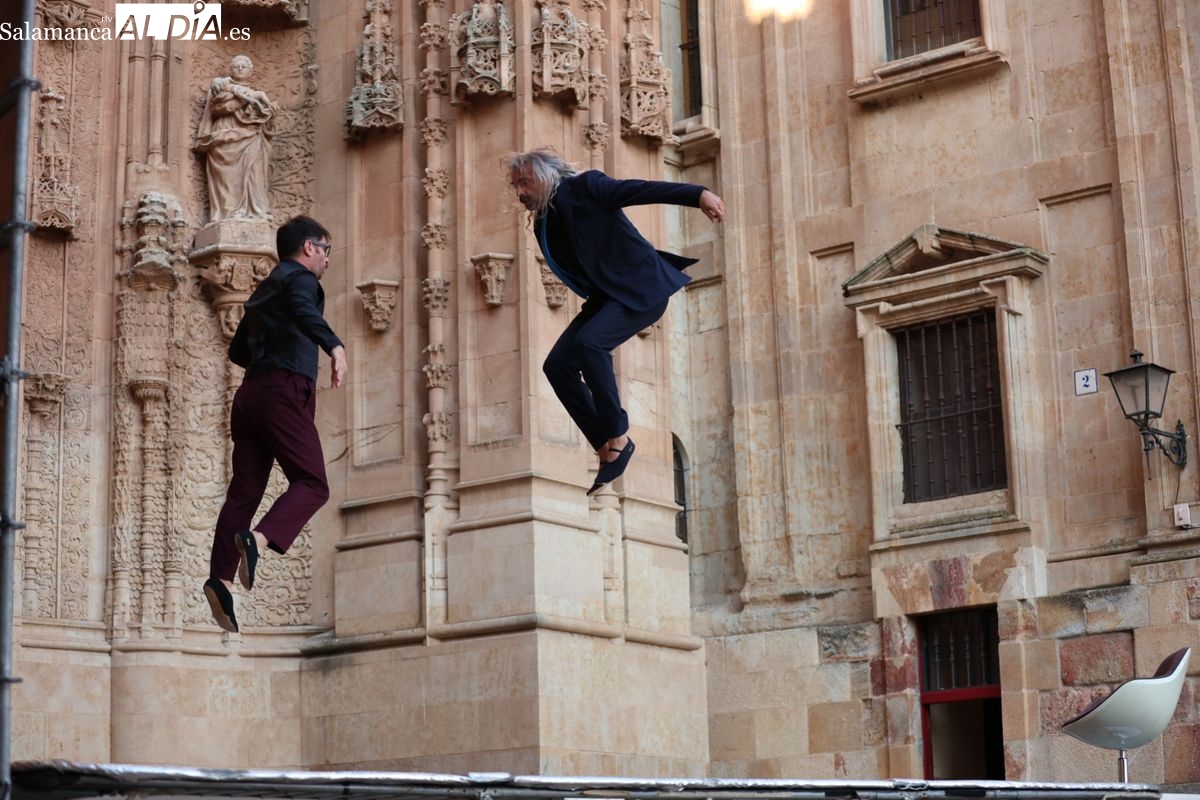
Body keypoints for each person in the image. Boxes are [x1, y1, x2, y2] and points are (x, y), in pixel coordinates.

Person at [505, 147, 726, 495]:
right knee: (557, 365)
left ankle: (618, 434)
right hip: (609, 297)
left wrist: (698, 195)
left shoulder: (587, 187)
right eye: (515, 185)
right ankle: (604, 444)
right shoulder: (545, 220)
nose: (519, 192)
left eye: (525, 183)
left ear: (546, 177)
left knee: (590, 343)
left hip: (642, 289)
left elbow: (641, 189)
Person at [203, 215, 348, 633]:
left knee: (244, 492)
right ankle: (259, 540)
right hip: (284, 393)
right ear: (309, 248)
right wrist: (333, 346)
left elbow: (238, 353)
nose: (327, 260)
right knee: (313, 483)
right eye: (326, 250)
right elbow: (304, 310)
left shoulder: (264, 290)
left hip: (250, 397)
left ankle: (221, 579)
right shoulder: (300, 281)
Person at [194, 54, 277, 221]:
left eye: (244, 66)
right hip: (226, 133)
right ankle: (228, 212)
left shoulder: (256, 94)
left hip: (251, 136)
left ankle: (254, 211)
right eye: (236, 66)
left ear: (250, 71)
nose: (240, 68)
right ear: (230, 70)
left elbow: (266, 122)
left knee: (253, 172)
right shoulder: (221, 87)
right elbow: (218, 109)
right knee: (227, 176)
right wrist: (246, 99)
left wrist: (270, 111)